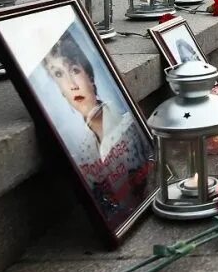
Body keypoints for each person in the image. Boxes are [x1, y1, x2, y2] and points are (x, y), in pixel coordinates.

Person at [42, 32, 152, 227]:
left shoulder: (129, 126)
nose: (72, 85)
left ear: (90, 76)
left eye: (74, 70)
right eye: (59, 74)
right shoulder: (83, 152)